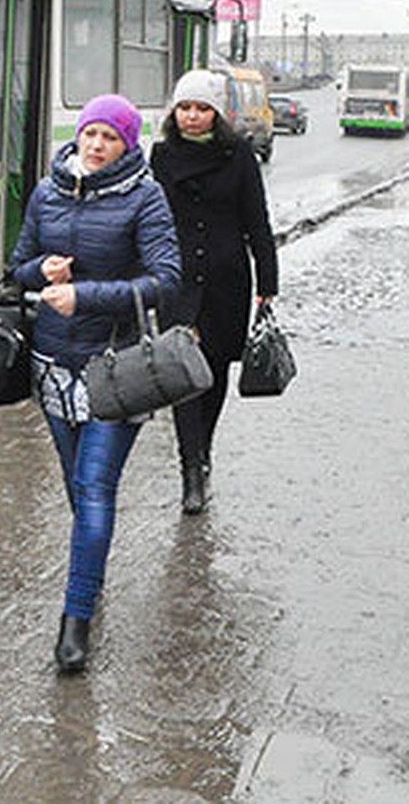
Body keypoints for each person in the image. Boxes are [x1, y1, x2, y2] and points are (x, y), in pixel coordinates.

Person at [11, 94, 182, 674]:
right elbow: (19, 266)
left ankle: (75, 621)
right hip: (53, 364)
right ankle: (93, 573)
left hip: (115, 369)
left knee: (92, 488)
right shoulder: (48, 189)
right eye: (90, 134)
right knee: (74, 484)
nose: (96, 145)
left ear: (128, 144)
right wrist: (42, 273)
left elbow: (166, 280)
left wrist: (84, 295)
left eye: (110, 137)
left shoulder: (145, 196)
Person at [150, 69, 278, 515]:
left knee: (215, 372)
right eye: (184, 108)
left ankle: (203, 452)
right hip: (177, 282)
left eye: (202, 108)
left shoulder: (238, 154)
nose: (192, 116)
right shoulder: (161, 156)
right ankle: (190, 471)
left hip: (227, 280)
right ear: (174, 112)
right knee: (181, 375)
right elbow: (146, 220)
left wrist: (268, 286)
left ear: (217, 113)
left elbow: (257, 222)